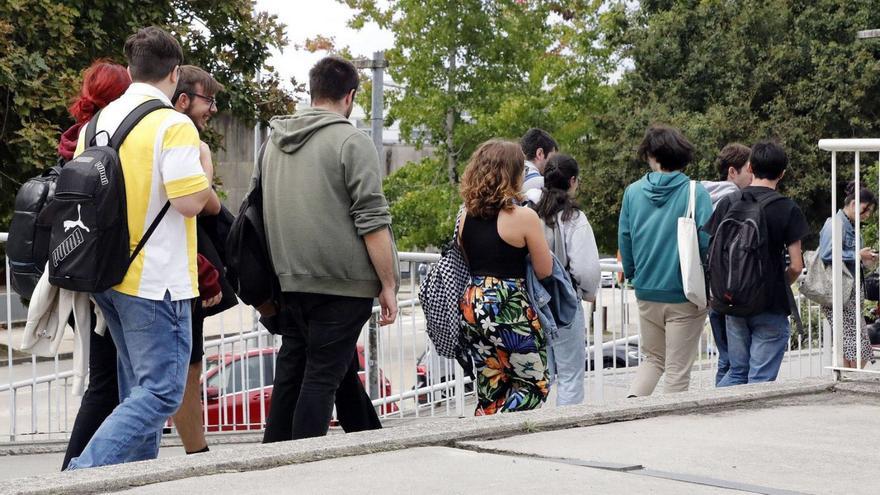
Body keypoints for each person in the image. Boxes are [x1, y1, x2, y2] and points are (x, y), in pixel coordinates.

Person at [66, 26, 220, 469]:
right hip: (156, 282)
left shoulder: (97, 123)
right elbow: (190, 202)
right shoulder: (172, 124)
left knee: (136, 390)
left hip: (106, 276)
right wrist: (205, 165)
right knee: (161, 392)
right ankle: (79, 476)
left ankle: (132, 478)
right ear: (175, 74)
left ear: (132, 70)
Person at [260, 56, 398, 442]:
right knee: (322, 375)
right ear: (350, 96)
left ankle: (275, 460)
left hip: (289, 279)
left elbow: (256, 209)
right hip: (343, 283)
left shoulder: (273, 142)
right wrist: (388, 283)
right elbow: (372, 219)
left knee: (299, 372)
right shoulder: (352, 141)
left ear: (312, 90)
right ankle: (301, 466)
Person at [58, 60, 130, 471]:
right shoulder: (109, 140)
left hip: (77, 270)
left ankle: (91, 468)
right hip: (102, 274)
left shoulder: (76, 138)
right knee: (108, 382)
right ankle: (75, 471)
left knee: (108, 381)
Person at [458, 139, 553, 415]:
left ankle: (483, 434)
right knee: (534, 384)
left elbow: (468, 257)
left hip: (472, 302)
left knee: (491, 384)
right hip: (508, 304)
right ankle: (505, 423)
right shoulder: (524, 217)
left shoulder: (465, 215)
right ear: (512, 174)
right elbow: (544, 269)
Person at [704, 141, 808, 387]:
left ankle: (717, 420)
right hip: (770, 305)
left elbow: (712, 250)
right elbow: (796, 265)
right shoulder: (788, 208)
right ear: (782, 173)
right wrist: (774, 283)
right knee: (759, 380)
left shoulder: (729, 202)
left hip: (733, 301)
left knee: (737, 372)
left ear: (750, 167)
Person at [618, 124, 712, 397]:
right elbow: (706, 243)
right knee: (677, 370)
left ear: (651, 155)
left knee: (653, 360)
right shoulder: (696, 192)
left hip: (647, 290)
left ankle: (630, 412)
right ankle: (670, 431)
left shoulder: (633, 193)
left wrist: (634, 275)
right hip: (684, 293)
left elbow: (626, 239)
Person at [170, 65, 226, 454]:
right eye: (209, 101)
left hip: (160, 272)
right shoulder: (182, 136)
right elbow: (206, 203)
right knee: (185, 370)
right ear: (185, 99)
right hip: (174, 275)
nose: (213, 110)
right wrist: (204, 162)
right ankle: (196, 451)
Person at [532, 153, 600, 406]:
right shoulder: (573, 217)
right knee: (570, 375)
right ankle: (566, 430)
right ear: (572, 181)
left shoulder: (530, 213)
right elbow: (585, 268)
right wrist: (588, 292)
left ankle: (537, 425)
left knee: (542, 373)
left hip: (534, 300)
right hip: (564, 301)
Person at [700, 143, 752, 385]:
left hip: (710, 290)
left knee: (726, 359)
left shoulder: (700, 197)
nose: (754, 176)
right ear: (733, 172)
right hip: (730, 290)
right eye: (749, 170)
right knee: (737, 364)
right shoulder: (734, 201)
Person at [817, 183, 877, 369]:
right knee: (854, 343)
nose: (867, 215)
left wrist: (866, 259)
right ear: (853, 204)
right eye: (866, 210)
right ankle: (849, 378)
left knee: (855, 343)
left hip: (849, 291)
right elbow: (827, 254)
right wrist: (858, 255)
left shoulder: (851, 225)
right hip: (839, 292)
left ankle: (850, 378)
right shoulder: (835, 223)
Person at [520, 128, 558, 196]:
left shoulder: (510, 176)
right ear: (539, 153)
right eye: (552, 158)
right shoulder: (541, 184)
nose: (554, 164)